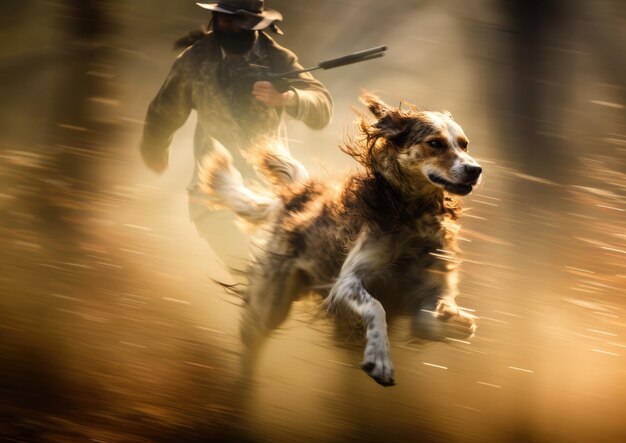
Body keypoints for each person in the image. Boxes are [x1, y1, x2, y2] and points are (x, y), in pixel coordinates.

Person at [140, 1, 333, 269]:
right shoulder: (195, 61)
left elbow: (322, 108)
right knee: (246, 272)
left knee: (283, 275)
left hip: (272, 193)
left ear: (255, 23)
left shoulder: (278, 58)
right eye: (224, 20)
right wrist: (154, 151)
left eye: (239, 21)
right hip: (214, 190)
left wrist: (286, 98)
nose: (230, 27)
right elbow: (163, 112)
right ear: (214, 18)